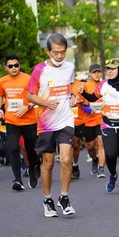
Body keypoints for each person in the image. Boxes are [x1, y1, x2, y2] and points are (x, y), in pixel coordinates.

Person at [26, 33, 77, 217]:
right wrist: (45, 103)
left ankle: (64, 197)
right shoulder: (39, 70)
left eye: (63, 52)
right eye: (55, 53)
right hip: (46, 123)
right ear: (48, 51)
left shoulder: (69, 67)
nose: (59, 56)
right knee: (47, 163)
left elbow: (71, 86)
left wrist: (74, 96)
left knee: (65, 159)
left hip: (65, 120)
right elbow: (30, 95)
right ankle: (47, 199)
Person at [80, 59, 119, 195]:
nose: (109, 71)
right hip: (108, 125)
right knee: (111, 155)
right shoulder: (103, 85)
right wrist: (82, 93)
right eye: (107, 69)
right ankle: (113, 175)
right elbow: (93, 98)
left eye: (112, 69)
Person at [0, 55, 39, 191]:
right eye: (10, 66)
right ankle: (18, 180)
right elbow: (0, 95)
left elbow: (37, 95)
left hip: (29, 120)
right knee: (13, 148)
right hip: (11, 120)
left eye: (16, 65)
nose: (14, 68)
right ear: (6, 68)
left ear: (19, 65)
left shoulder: (28, 78)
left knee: (30, 149)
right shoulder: (2, 81)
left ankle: (32, 170)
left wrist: (28, 106)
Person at [82, 64, 107, 178]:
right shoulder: (86, 86)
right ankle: (94, 159)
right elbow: (81, 102)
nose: (97, 74)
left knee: (101, 143)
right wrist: (88, 109)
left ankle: (101, 169)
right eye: (94, 72)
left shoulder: (105, 84)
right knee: (90, 146)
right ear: (90, 74)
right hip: (89, 120)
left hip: (102, 119)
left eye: (99, 72)